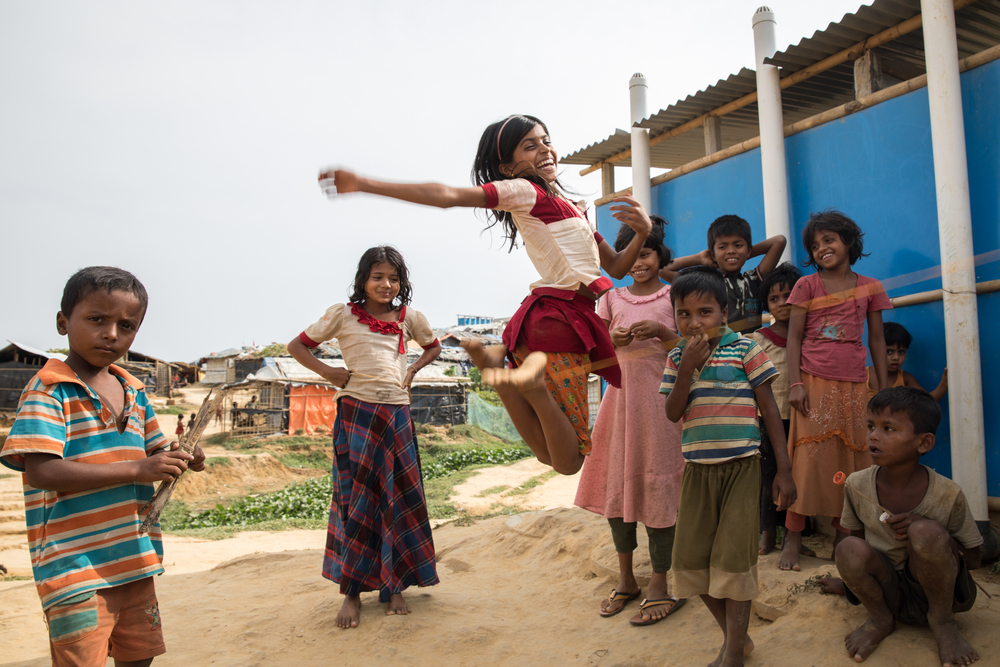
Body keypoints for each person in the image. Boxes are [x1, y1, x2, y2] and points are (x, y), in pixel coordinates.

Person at [319, 114, 654, 476]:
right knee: (569, 463)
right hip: (560, 322)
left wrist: (642, 232)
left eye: (546, 140)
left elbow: (617, 268)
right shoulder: (525, 191)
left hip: (550, 322)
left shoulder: (575, 210)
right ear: (507, 168)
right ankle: (531, 385)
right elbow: (447, 196)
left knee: (549, 456)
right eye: (530, 145)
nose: (544, 149)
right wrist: (365, 183)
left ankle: (497, 372)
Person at [0, 266, 206, 667]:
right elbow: (42, 472)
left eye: (126, 325)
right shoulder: (49, 389)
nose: (112, 333)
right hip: (74, 567)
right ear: (63, 323)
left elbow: (155, 454)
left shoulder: (134, 389)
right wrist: (137, 470)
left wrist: (185, 457)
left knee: (139, 657)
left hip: (135, 557)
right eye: (97, 319)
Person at [287, 246, 442, 629]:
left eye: (393, 278)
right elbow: (297, 346)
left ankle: (395, 586)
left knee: (399, 497)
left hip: (397, 414)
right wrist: (329, 373)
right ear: (363, 280)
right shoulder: (342, 315)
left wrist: (415, 370)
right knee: (356, 500)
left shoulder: (409, 317)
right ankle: (352, 592)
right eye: (377, 277)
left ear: (401, 283)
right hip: (357, 412)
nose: (386, 284)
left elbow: (433, 345)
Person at [660, 266, 796, 667]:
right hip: (697, 472)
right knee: (689, 561)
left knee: (735, 562)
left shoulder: (746, 349)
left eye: (704, 311)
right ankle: (739, 638)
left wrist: (785, 472)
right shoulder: (675, 357)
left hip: (742, 467)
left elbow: (770, 410)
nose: (694, 321)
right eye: (684, 314)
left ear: (724, 311)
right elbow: (672, 413)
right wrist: (687, 367)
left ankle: (734, 650)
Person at [574, 217, 686, 626]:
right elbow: (595, 360)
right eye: (632, 255)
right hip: (618, 406)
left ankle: (660, 582)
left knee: (659, 489)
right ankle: (626, 580)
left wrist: (661, 332)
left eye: (647, 253)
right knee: (616, 489)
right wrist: (611, 342)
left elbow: (692, 347)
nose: (639, 262)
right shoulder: (610, 299)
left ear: (660, 256)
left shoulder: (675, 296)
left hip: (660, 409)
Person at [818, 387, 982, 666]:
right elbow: (856, 548)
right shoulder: (856, 485)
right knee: (846, 546)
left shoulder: (947, 493)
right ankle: (881, 620)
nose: (873, 435)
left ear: (924, 443)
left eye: (889, 428)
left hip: (939, 595)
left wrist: (927, 527)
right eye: (871, 426)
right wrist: (849, 586)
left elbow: (975, 559)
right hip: (886, 595)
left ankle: (943, 624)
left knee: (925, 532)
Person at [780, 210, 893, 571]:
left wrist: (885, 390)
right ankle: (793, 538)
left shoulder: (870, 286)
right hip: (813, 382)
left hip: (855, 385)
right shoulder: (806, 286)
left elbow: (876, 338)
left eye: (828, 240)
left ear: (848, 241)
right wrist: (795, 384)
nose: (821, 248)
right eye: (814, 245)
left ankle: (843, 537)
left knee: (852, 460)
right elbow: (793, 338)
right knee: (809, 463)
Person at [748, 262, 817, 558]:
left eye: (788, 296)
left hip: (803, 417)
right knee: (768, 477)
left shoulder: (810, 335)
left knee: (801, 476)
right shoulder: (758, 338)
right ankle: (767, 535)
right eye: (774, 299)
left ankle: (794, 534)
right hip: (768, 419)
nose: (782, 304)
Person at [659, 214, 786, 334]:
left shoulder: (752, 280)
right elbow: (662, 269)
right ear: (712, 254)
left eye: (738, 245)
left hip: (751, 352)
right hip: (718, 352)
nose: (731, 251)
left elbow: (779, 241)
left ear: (748, 250)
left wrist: (741, 255)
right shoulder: (706, 284)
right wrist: (700, 258)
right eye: (723, 247)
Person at [866, 322, 948, 401]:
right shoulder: (864, 375)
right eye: (889, 351)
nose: (896, 357)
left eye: (901, 352)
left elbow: (927, 401)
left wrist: (944, 385)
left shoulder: (905, 378)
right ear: (873, 352)